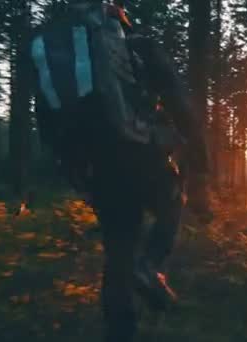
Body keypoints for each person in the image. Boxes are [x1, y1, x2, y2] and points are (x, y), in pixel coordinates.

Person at [29, 1, 211, 341]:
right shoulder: (138, 45)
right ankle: (152, 264)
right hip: (141, 152)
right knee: (174, 196)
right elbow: (179, 102)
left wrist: (77, 175)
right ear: (117, 14)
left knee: (118, 251)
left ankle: (119, 333)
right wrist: (200, 167)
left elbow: (47, 123)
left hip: (99, 170)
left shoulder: (65, 58)